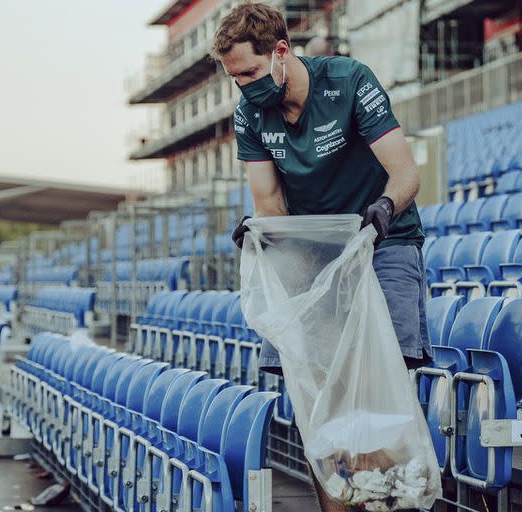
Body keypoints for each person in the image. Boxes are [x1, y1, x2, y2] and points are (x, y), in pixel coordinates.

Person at [212, 3, 432, 511]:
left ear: (280, 52)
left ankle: (387, 501)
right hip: (314, 250)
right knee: (318, 393)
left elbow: (406, 175)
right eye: (233, 76)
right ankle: (339, 504)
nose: (243, 84)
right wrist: (261, 232)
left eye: (248, 71)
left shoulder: (350, 81)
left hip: (382, 240)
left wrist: (382, 210)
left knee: (382, 384)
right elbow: (269, 203)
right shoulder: (250, 112)